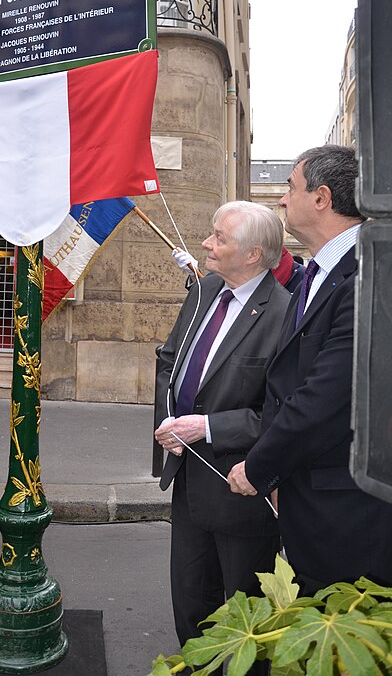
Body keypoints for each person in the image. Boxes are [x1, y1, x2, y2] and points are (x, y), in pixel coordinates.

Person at [227, 145, 392, 595]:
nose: (281, 199)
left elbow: (327, 397)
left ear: (321, 198)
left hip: (345, 517)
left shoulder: (369, 274)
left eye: (290, 187)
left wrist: (260, 468)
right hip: (307, 500)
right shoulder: (318, 270)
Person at [154, 201, 290, 653]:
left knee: (242, 617)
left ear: (253, 254)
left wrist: (206, 427)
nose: (207, 245)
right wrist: (169, 425)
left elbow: (281, 412)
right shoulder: (206, 289)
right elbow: (169, 361)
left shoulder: (285, 315)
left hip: (240, 489)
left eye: (220, 238)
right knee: (190, 604)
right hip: (187, 477)